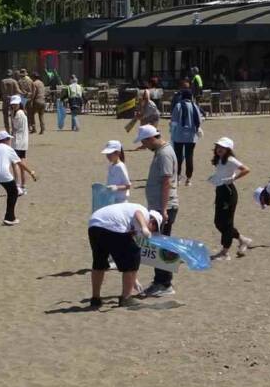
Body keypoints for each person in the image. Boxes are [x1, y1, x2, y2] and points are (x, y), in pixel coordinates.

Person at [87, 203, 161, 309]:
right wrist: (145, 227)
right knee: (134, 256)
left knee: (99, 262)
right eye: (154, 229)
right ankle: (126, 298)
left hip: (94, 225)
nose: (152, 232)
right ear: (153, 222)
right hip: (111, 225)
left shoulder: (132, 224)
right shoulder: (144, 212)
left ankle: (95, 299)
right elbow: (138, 213)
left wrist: (134, 279)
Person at [135, 124, 178, 298]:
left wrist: (164, 208)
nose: (144, 146)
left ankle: (165, 283)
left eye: (144, 142)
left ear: (150, 138)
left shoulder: (165, 154)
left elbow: (166, 181)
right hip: (158, 207)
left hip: (163, 208)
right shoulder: (160, 152)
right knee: (158, 243)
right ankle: (160, 281)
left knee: (162, 244)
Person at [209, 137, 252, 260]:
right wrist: (215, 178)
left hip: (229, 192)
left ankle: (225, 251)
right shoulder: (219, 159)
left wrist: (233, 178)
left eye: (222, 147)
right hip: (220, 191)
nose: (219, 149)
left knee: (227, 223)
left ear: (228, 149)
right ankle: (242, 240)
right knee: (218, 222)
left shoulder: (231, 159)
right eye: (218, 147)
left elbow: (246, 169)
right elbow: (222, 172)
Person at [0, 131, 36, 228]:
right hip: (3, 174)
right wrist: (31, 172)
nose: (10, 141)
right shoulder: (8, 148)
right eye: (9, 139)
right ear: (5, 140)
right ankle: (9, 217)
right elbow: (20, 163)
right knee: (13, 192)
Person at [170, 89, 202, 186]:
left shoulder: (178, 106)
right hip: (191, 136)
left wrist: (171, 132)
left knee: (178, 157)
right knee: (189, 157)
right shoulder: (195, 106)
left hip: (179, 135)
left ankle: (178, 177)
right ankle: (188, 179)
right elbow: (199, 121)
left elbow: (174, 122)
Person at [9, 96, 30, 194]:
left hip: (18, 141)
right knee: (22, 163)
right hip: (23, 141)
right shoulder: (23, 113)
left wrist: (12, 117)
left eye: (15, 104)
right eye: (12, 104)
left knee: (15, 164)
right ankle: (23, 185)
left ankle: (17, 185)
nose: (13, 106)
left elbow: (15, 127)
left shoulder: (18, 114)